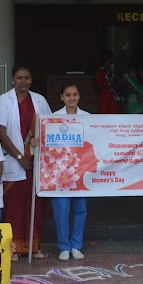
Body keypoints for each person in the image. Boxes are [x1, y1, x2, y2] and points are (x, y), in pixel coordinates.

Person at [0, 65, 51, 258]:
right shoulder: (3, 101)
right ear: (12, 80)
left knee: (35, 207)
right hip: (14, 161)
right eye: (19, 78)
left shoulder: (39, 100)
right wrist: (20, 157)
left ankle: (34, 247)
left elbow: (49, 126)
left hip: (36, 161)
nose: (23, 81)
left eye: (26, 78)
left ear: (31, 80)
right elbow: (0, 132)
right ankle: (13, 249)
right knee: (14, 208)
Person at [52, 83, 90, 261]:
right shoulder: (52, 119)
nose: (72, 98)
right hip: (59, 174)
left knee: (80, 209)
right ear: (62, 97)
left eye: (75, 94)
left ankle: (76, 245)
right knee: (61, 210)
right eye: (68, 95)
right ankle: (63, 247)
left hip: (81, 172)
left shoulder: (89, 118)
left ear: (79, 96)